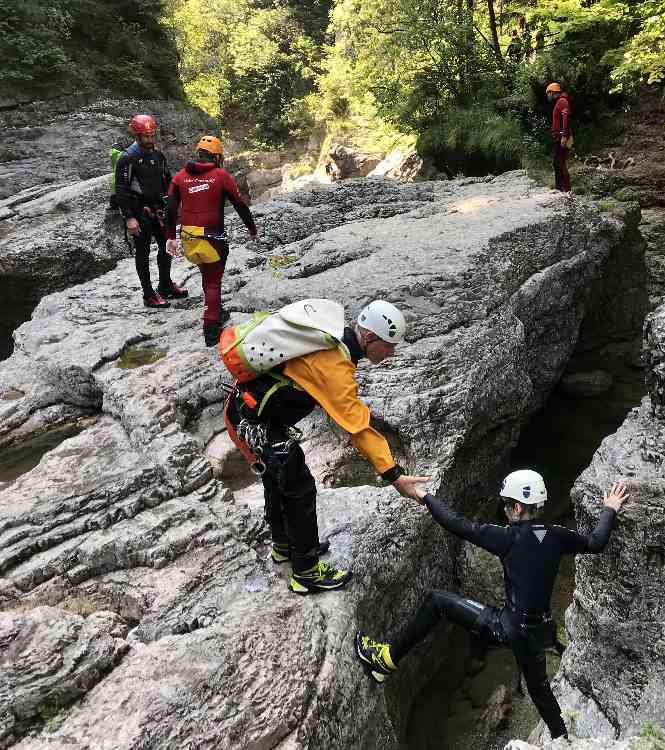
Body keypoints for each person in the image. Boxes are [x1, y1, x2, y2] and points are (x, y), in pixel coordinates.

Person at [355, 470, 628, 740]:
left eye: (507, 505)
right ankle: (562, 739)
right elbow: (596, 542)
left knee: (438, 601)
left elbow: (457, 524)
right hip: (536, 635)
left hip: (506, 627)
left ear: (518, 507)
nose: (506, 510)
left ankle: (385, 660)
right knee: (540, 692)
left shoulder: (507, 537)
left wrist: (424, 496)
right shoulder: (556, 535)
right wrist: (610, 509)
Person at [224, 299, 429, 594]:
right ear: (370, 337)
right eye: (389, 345)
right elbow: (358, 427)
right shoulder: (334, 365)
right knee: (299, 490)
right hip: (257, 425)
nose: (392, 352)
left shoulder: (331, 341)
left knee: (277, 479)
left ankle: (285, 546)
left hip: (249, 414)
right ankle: (306, 573)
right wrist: (394, 476)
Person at [165, 135, 257, 347]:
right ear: (216, 156)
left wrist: (170, 237)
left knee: (208, 277)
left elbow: (170, 208)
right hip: (212, 237)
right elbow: (239, 204)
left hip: (188, 237)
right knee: (213, 282)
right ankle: (211, 329)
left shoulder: (179, 177)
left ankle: (215, 310)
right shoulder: (221, 175)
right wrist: (252, 229)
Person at [114, 114, 187, 309]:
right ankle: (148, 294)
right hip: (139, 212)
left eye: (152, 135)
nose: (150, 140)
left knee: (166, 246)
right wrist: (129, 218)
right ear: (136, 136)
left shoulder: (157, 155)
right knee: (143, 252)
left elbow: (167, 181)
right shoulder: (127, 158)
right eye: (145, 136)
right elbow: (121, 190)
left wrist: (173, 206)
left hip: (159, 210)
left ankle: (164, 285)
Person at [546, 83, 572, 192]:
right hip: (560, 136)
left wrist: (564, 136)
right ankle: (561, 188)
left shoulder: (562, 101)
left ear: (552, 92)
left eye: (548, 94)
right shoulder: (561, 101)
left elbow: (566, 118)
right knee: (558, 162)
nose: (547, 96)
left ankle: (564, 189)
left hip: (562, 137)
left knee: (559, 162)